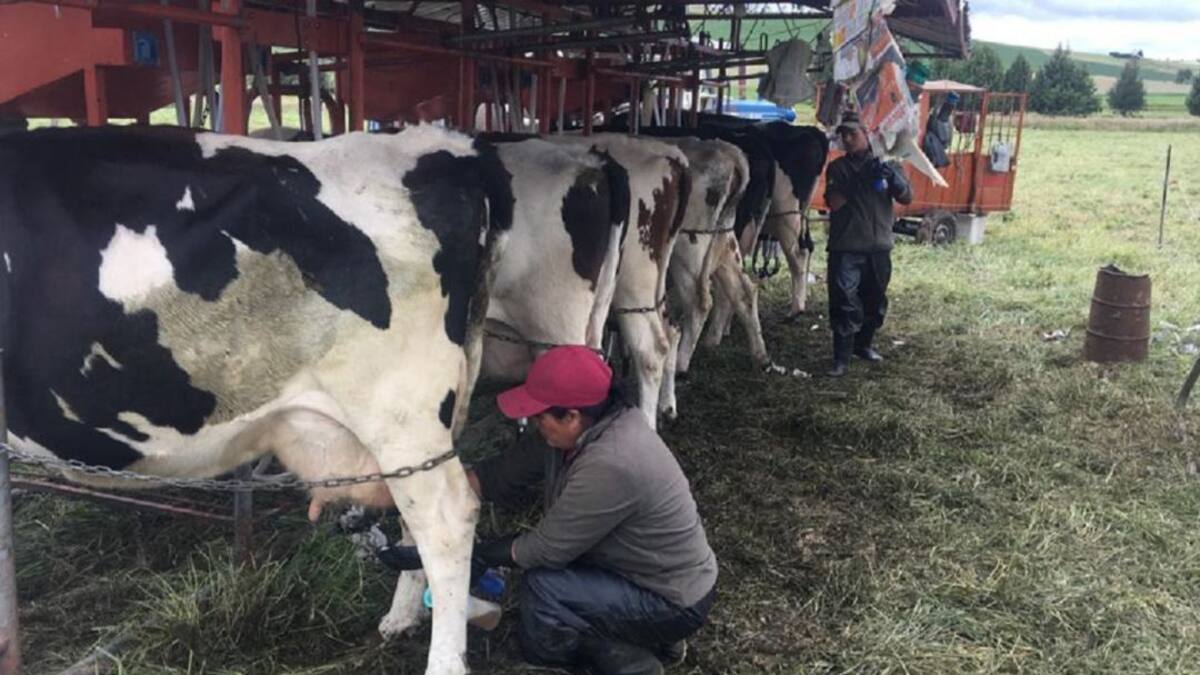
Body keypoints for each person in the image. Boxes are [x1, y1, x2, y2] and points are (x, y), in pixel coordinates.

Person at [388, 346, 718, 674]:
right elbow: (501, 473)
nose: (534, 423)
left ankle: (621, 657)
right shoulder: (584, 429)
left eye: (538, 416)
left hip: (671, 601)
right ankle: (649, 637)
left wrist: (480, 554)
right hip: (643, 574)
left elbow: (546, 550)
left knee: (544, 590)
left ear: (571, 416)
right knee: (554, 582)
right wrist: (418, 499)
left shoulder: (611, 462)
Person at [823, 110, 913, 377]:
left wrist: (893, 178)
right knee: (844, 302)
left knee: (874, 301)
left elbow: (907, 197)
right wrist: (857, 181)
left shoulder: (887, 163)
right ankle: (841, 358)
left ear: (866, 134)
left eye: (853, 133)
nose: (848, 139)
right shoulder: (838, 168)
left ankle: (863, 346)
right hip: (847, 246)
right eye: (844, 135)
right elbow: (834, 203)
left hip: (879, 245)